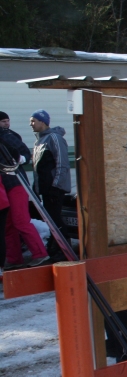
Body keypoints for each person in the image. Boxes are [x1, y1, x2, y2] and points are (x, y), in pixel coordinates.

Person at [0, 112, 48, 268]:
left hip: (15, 183)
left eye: (7, 121)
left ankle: (40, 253)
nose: (6, 124)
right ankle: (13, 258)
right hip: (4, 187)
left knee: (20, 220)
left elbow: (25, 154)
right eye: (3, 121)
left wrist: (17, 159)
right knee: (8, 224)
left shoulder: (7, 136)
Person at [30, 110, 71, 260]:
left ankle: (64, 248)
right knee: (51, 220)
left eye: (33, 120)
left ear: (43, 122)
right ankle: (55, 246)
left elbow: (62, 163)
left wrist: (56, 186)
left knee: (55, 218)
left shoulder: (55, 138)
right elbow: (38, 168)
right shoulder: (39, 141)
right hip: (45, 188)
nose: (31, 124)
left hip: (54, 188)